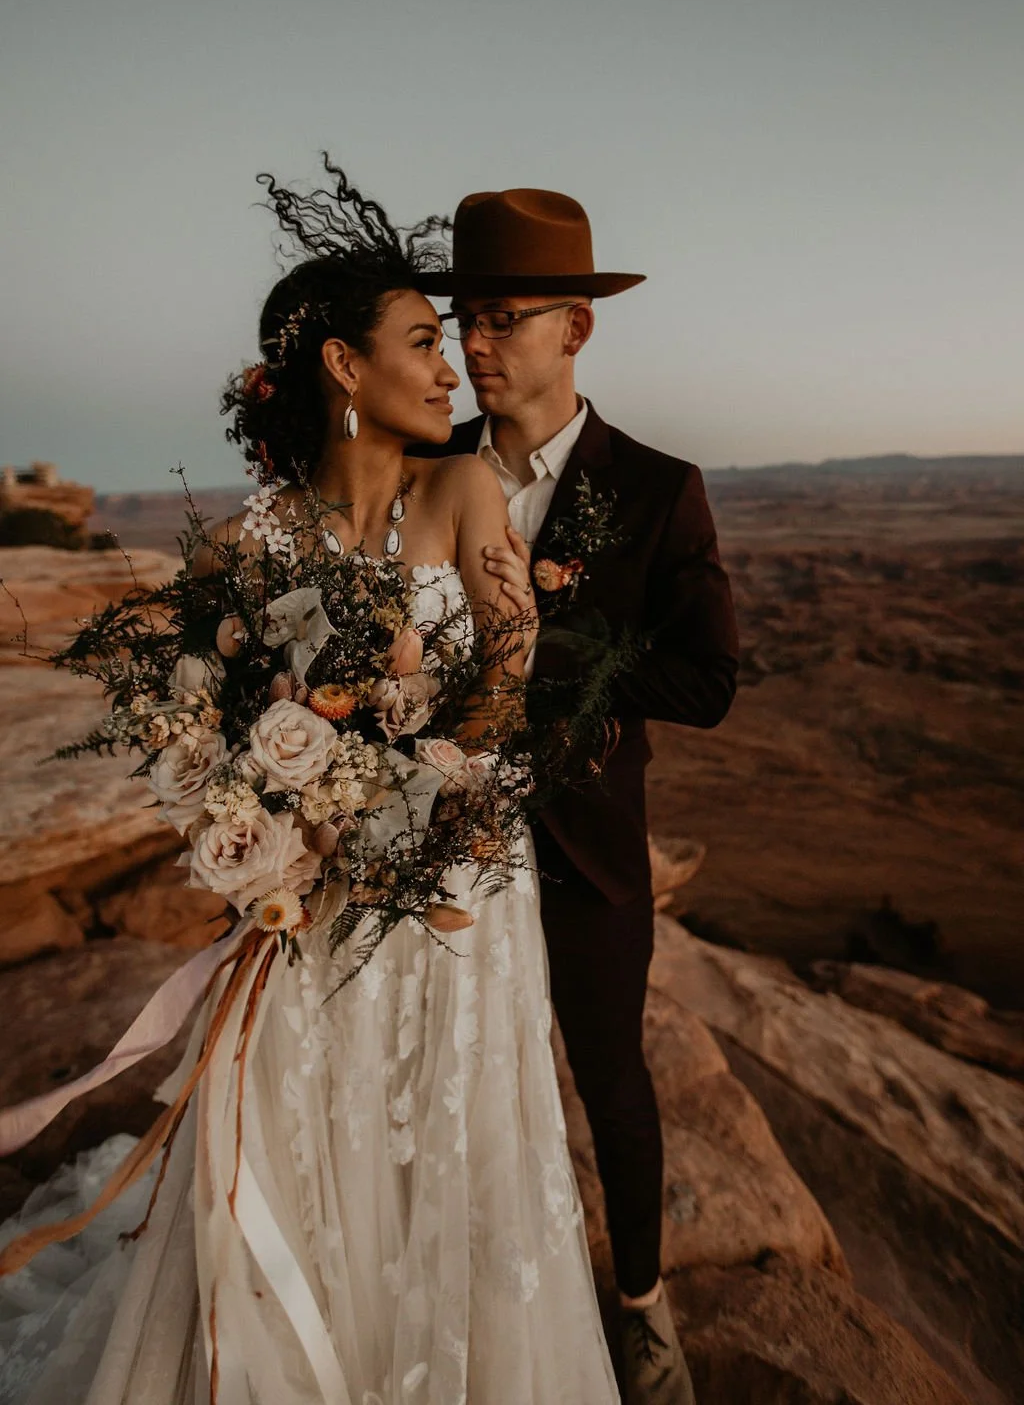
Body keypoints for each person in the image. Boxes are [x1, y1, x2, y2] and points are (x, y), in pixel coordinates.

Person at [0, 167, 620, 1404]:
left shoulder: (465, 490)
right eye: (422, 344)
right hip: (317, 914)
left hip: (455, 895)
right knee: (305, 1137)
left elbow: (501, 703)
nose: (450, 373)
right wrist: (264, 824)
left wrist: (460, 728)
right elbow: (198, 743)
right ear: (343, 366)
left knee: (448, 1140)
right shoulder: (245, 548)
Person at [417, 187, 740, 1405]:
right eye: (464, 321)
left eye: (503, 318)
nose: (476, 344)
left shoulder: (656, 487)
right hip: (439, 843)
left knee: (610, 1080)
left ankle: (643, 1307)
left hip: (590, 848)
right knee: (443, 1079)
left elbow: (707, 682)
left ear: (577, 329)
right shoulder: (424, 468)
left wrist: (541, 645)